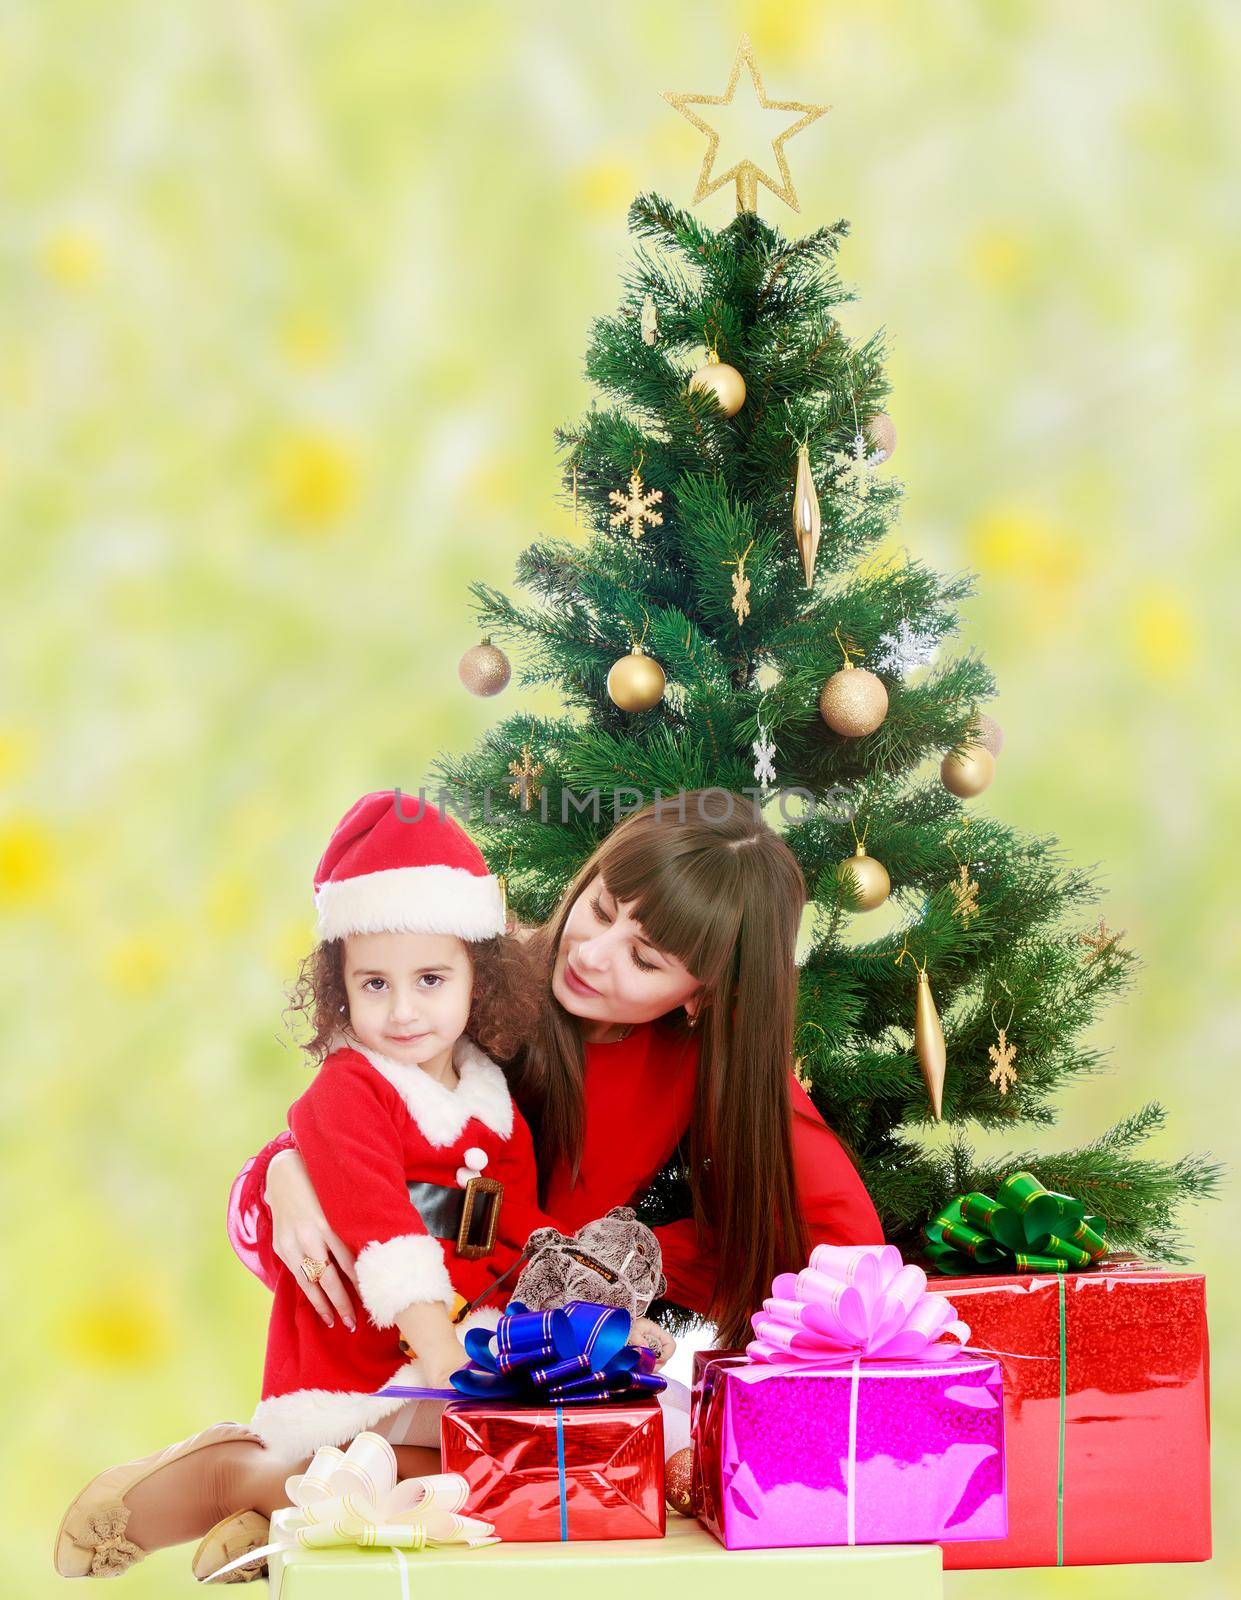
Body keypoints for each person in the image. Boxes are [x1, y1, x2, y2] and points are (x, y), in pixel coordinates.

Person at [55, 789, 883, 1584]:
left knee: (566, 1479)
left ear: (704, 996)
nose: (593, 956)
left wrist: (634, 1266)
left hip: (522, 1335)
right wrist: (284, 1172)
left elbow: (845, 1234)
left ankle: (291, 1495)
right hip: (403, 1309)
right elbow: (358, 1113)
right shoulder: (479, 978)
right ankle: (241, 1474)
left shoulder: (719, 1067)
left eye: (645, 958)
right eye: (598, 910)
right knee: (522, 1469)